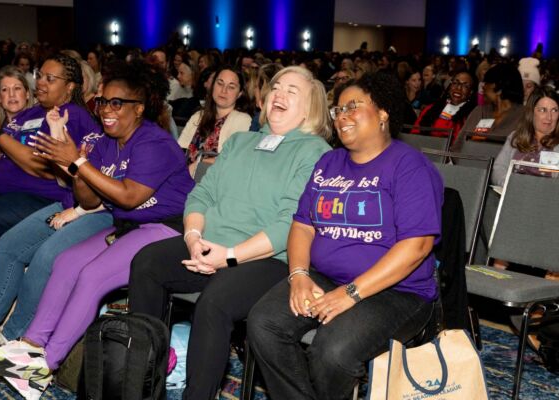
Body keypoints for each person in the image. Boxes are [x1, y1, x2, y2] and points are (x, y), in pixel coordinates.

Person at [0, 59, 195, 399]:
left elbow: (130, 195)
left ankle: (44, 366)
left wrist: (78, 163)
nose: (106, 110)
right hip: (127, 225)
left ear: (139, 108)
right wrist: (73, 166)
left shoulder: (155, 142)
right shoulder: (108, 140)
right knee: (66, 262)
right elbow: (90, 200)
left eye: (117, 103)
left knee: (93, 276)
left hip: (166, 231)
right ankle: (29, 347)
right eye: (104, 101)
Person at [127, 66, 332, 399]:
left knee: (216, 302)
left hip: (267, 260)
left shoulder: (315, 152)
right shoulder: (241, 141)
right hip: (208, 245)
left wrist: (230, 256)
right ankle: (141, 384)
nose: (279, 94)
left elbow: (290, 224)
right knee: (147, 262)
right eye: (276, 87)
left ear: (311, 108)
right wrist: (193, 239)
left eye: (292, 91)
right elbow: (201, 195)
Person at [247, 73, 444, 400]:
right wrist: (298, 275)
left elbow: (417, 246)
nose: (342, 116)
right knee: (264, 323)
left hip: (396, 291)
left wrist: (351, 293)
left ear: (383, 113)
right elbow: (302, 225)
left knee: (333, 351)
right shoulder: (329, 162)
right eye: (338, 110)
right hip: (325, 277)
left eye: (353, 107)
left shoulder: (409, 167)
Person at [0, 54, 100, 266]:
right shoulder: (30, 113)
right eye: (40, 76)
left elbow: (40, 167)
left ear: (70, 87)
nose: (41, 82)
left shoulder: (70, 115)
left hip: (36, 195)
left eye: (50, 79)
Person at [178, 65, 251, 174]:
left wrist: (198, 165)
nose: (223, 90)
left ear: (240, 93)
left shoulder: (243, 120)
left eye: (231, 87)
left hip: (212, 183)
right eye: (220, 83)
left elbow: (234, 159)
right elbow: (179, 150)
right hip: (184, 177)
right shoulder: (198, 115)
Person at [491, 86, 559, 186]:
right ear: (531, 112)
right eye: (542, 110)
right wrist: (509, 185)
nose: (549, 117)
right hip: (513, 194)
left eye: (554, 110)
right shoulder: (516, 137)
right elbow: (498, 169)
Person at [452, 63, 524, 151]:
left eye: (486, 83)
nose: (483, 87)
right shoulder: (479, 112)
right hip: (467, 163)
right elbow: (458, 144)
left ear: (499, 88)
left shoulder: (524, 116)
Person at [412, 71, 477, 144]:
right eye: (455, 83)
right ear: (450, 86)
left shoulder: (472, 116)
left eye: (465, 86)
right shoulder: (431, 108)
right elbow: (415, 134)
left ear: (471, 92)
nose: (458, 88)